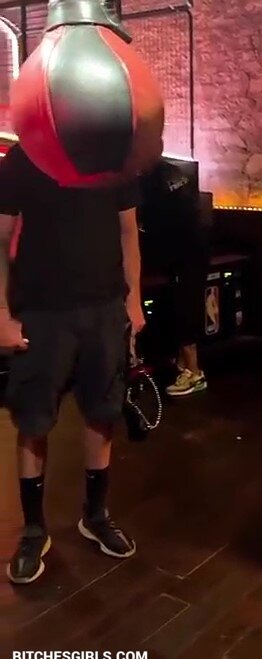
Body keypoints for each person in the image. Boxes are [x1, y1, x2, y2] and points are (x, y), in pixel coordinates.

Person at [0, 143, 145, 584]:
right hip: (41, 312)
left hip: (104, 308)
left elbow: (128, 232)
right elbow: (0, 237)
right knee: (34, 420)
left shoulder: (113, 152)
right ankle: (33, 529)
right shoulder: (24, 157)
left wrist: (134, 302)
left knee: (102, 413)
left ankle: (95, 515)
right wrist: (2, 314)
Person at [138, 156, 208, 397]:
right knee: (183, 306)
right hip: (193, 250)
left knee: (185, 309)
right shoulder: (172, 172)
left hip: (183, 254)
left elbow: (149, 223)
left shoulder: (150, 179)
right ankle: (183, 364)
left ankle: (193, 373)